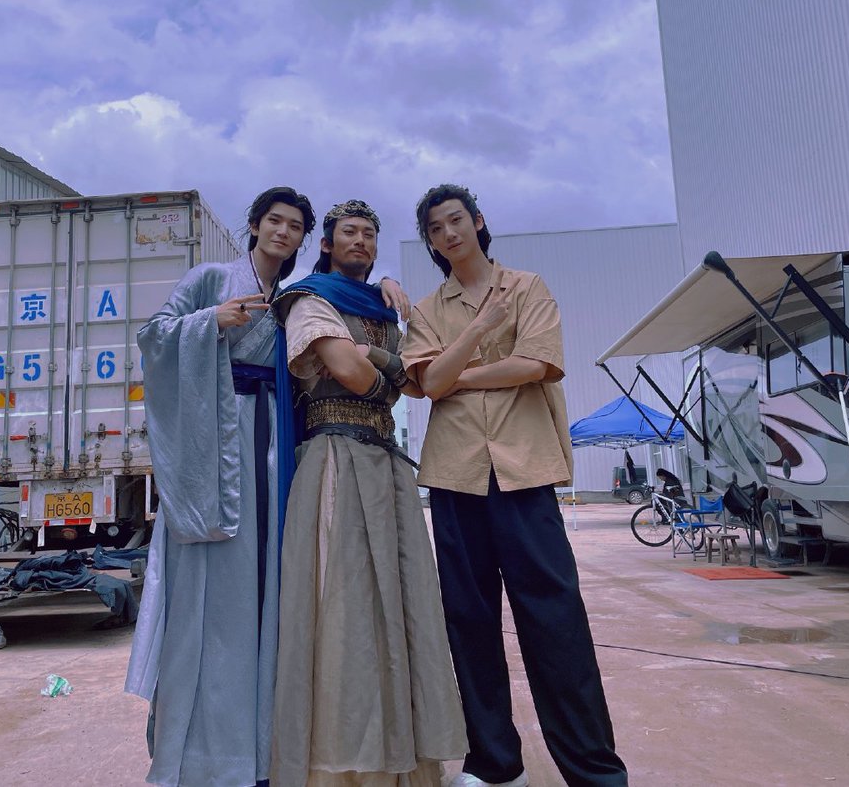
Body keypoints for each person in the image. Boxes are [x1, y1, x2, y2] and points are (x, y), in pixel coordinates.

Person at [125, 187, 410, 787]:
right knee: (215, 595)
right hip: (219, 443)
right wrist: (211, 320)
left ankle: (263, 751)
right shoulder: (211, 278)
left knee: (275, 589)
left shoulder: (296, 295)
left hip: (278, 442)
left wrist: (384, 285)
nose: (283, 232)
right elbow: (153, 336)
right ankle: (203, 754)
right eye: (274, 221)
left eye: (294, 226)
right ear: (254, 226)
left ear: (307, 239)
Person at [400, 185, 627, 787]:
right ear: (430, 242)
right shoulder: (427, 310)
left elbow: (537, 364)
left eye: (456, 220)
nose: (449, 233)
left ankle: (595, 771)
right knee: (469, 621)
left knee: (555, 619)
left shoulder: (528, 287)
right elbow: (426, 384)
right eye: (435, 229)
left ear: (478, 222)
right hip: (455, 477)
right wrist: (480, 331)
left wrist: (457, 372)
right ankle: (495, 765)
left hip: (524, 471)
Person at [270, 199, 467, 787]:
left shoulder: (382, 307)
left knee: (403, 606)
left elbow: (410, 382)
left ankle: (402, 758)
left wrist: (379, 360)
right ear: (326, 243)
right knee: (343, 606)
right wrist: (387, 371)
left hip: (386, 465)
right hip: (335, 460)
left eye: (369, 234)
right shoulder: (307, 300)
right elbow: (357, 376)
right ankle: (342, 765)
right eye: (349, 232)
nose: (360, 241)